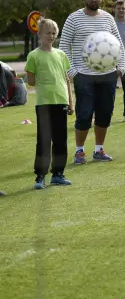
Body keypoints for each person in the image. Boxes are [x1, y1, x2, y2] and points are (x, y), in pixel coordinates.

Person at [60, 0, 125, 164]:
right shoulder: (73, 19)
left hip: (108, 75)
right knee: (84, 114)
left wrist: (120, 68)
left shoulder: (107, 18)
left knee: (105, 113)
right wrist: (72, 72)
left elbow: (118, 44)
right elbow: (64, 47)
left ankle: (99, 150)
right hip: (83, 75)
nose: (94, 0)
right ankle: (79, 151)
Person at [25, 19, 74, 189]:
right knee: (44, 140)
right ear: (39, 34)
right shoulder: (33, 55)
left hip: (60, 100)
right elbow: (30, 81)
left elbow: (66, 79)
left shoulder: (61, 55)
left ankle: (58, 174)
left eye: (54, 33)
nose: (51, 36)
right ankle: (40, 177)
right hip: (44, 103)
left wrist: (70, 101)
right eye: (48, 33)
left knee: (61, 140)